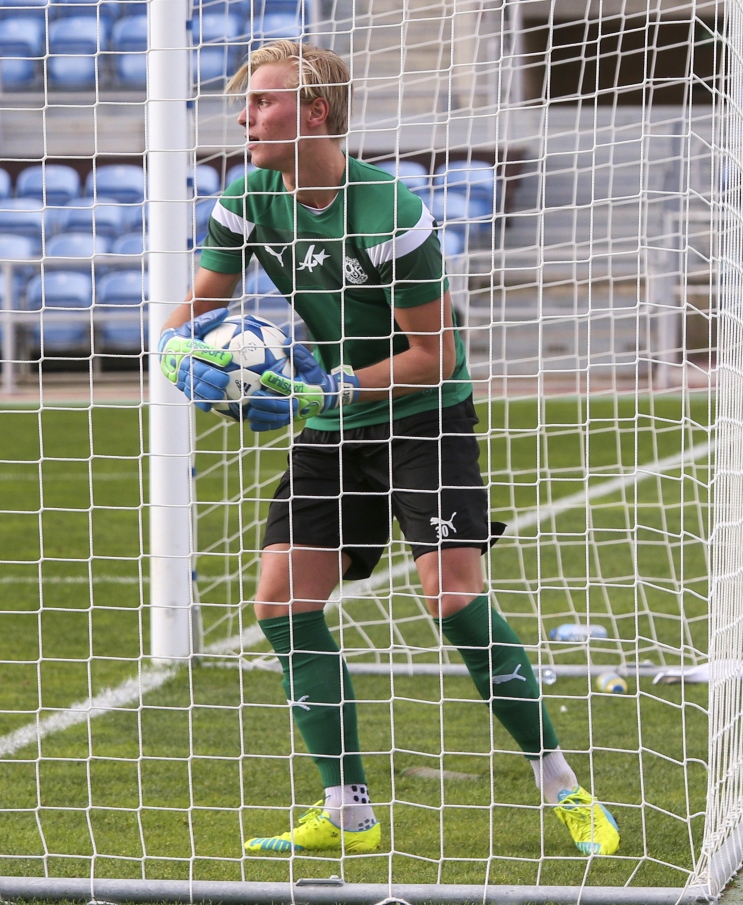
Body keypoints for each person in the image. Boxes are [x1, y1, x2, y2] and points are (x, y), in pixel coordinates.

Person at [157, 39, 620, 858]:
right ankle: (347, 810)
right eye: (247, 103)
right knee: (281, 602)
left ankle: (563, 786)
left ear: (315, 112)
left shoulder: (390, 211)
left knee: (451, 595)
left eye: (262, 102)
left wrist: (332, 388)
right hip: (332, 419)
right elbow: (196, 308)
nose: (244, 118)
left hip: (421, 414)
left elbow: (435, 355)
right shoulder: (245, 197)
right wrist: (184, 355)